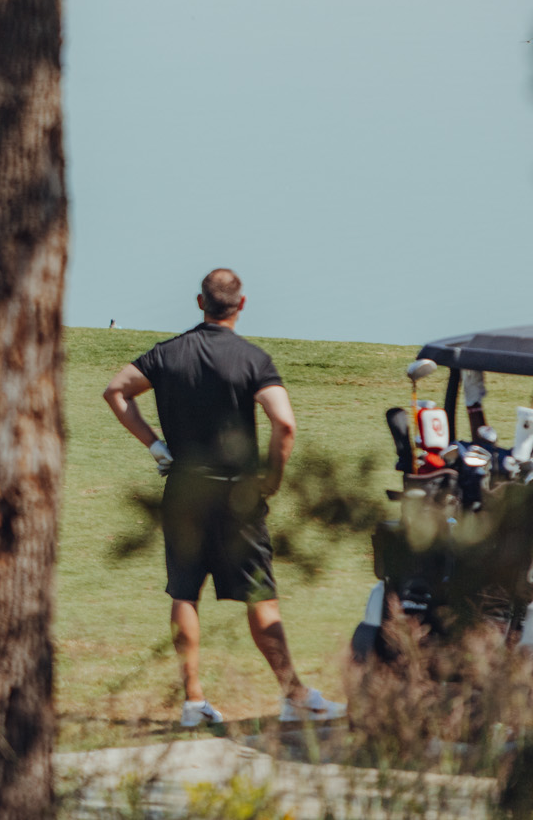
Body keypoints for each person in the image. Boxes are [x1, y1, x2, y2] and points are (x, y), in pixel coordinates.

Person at [102, 269, 346, 727]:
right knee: (260, 595)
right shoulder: (252, 359)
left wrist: (155, 446)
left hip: (184, 490)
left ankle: (193, 702)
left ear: (200, 302)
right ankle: (293, 695)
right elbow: (284, 423)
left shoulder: (167, 353)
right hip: (238, 497)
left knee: (184, 593)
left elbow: (115, 391)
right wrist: (272, 477)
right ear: (242, 304)